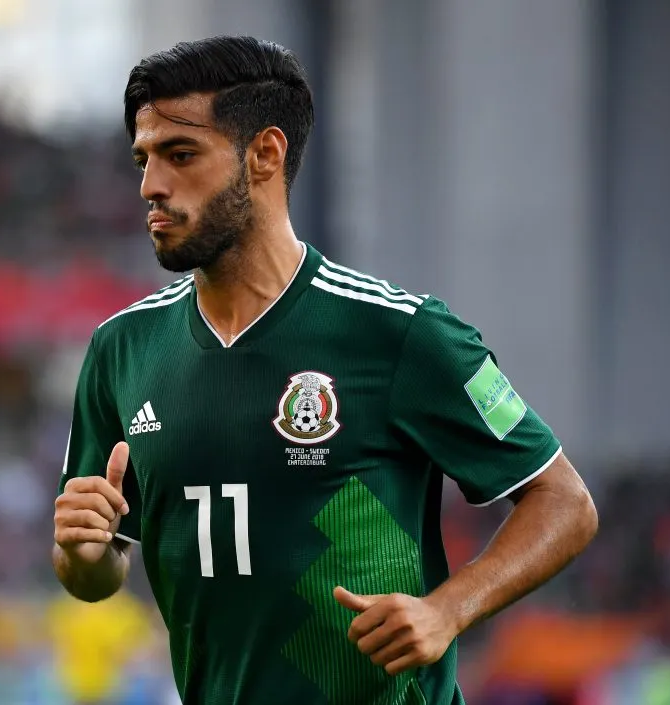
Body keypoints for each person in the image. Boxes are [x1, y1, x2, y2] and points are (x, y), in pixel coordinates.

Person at [53, 35, 599, 705]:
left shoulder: (398, 333)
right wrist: (83, 552)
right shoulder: (123, 349)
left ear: (265, 155)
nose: (150, 185)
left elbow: (565, 503)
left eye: (180, 154)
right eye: (143, 159)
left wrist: (449, 608)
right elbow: (96, 571)